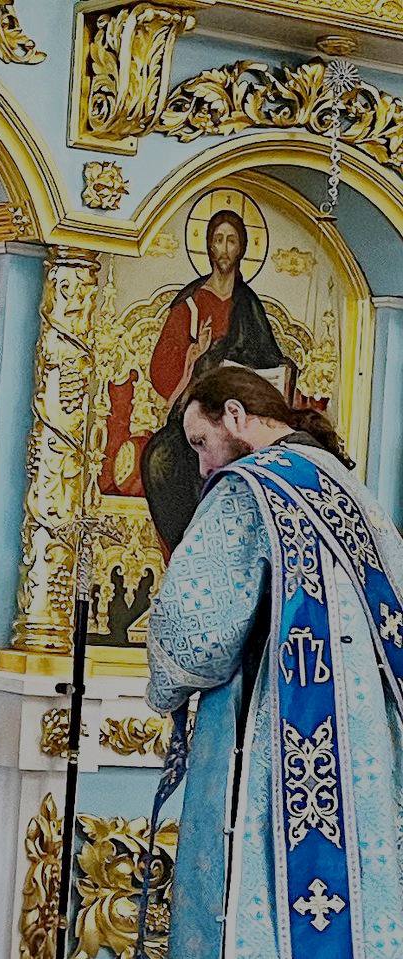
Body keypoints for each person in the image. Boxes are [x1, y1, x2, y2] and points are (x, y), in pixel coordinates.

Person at [141, 365, 403, 959]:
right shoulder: (344, 485)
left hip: (276, 739)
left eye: (201, 443)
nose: (203, 467)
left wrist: (164, 686)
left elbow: (194, 629)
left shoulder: (248, 488)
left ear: (235, 416)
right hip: (364, 747)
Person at [134, 208, 294, 554]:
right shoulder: (191, 301)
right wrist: (197, 355)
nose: (224, 249)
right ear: (208, 246)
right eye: (218, 240)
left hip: (240, 424)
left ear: (242, 248)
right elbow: (163, 368)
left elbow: (266, 359)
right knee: (161, 458)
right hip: (194, 415)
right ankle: (184, 550)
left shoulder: (248, 304)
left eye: (231, 241)